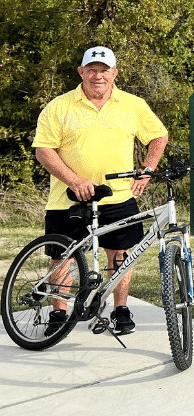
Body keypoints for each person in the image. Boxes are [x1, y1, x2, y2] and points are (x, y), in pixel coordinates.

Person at [33, 47, 169, 335]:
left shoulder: (132, 105)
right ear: (81, 72)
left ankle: (120, 309)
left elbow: (158, 135)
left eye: (104, 70)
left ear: (114, 74)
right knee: (63, 256)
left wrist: (147, 170)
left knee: (120, 254)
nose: (98, 76)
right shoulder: (59, 106)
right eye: (91, 70)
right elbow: (43, 150)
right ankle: (59, 314)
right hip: (67, 197)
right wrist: (73, 179)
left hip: (118, 196)